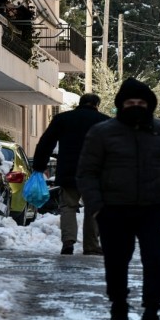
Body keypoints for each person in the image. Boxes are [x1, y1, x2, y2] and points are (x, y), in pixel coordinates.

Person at [76, 77, 160, 320]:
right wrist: (96, 206)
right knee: (116, 261)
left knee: (155, 261)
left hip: (155, 207)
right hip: (114, 209)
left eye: (141, 102)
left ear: (150, 105)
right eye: (130, 102)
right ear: (121, 104)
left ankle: (152, 312)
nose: (135, 106)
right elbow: (87, 172)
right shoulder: (102, 132)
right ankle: (118, 306)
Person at [32, 94, 109, 255]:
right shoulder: (105, 121)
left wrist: (39, 165)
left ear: (79, 103)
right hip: (95, 172)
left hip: (69, 170)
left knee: (68, 206)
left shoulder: (63, 119)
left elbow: (46, 142)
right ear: (96, 104)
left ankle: (68, 241)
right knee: (93, 207)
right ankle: (91, 245)